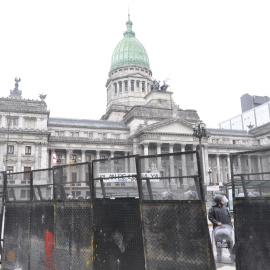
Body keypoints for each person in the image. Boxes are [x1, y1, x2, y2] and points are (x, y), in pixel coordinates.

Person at [208, 194, 234, 262]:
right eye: (222, 200)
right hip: (218, 229)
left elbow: (228, 217)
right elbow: (210, 217)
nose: (223, 201)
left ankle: (232, 255)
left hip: (227, 228)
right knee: (219, 243)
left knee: (229, 242)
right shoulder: (212, 209)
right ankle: (219, 256)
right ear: (219, 201)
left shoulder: (224, 207)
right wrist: (217, 222)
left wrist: (230, 226)